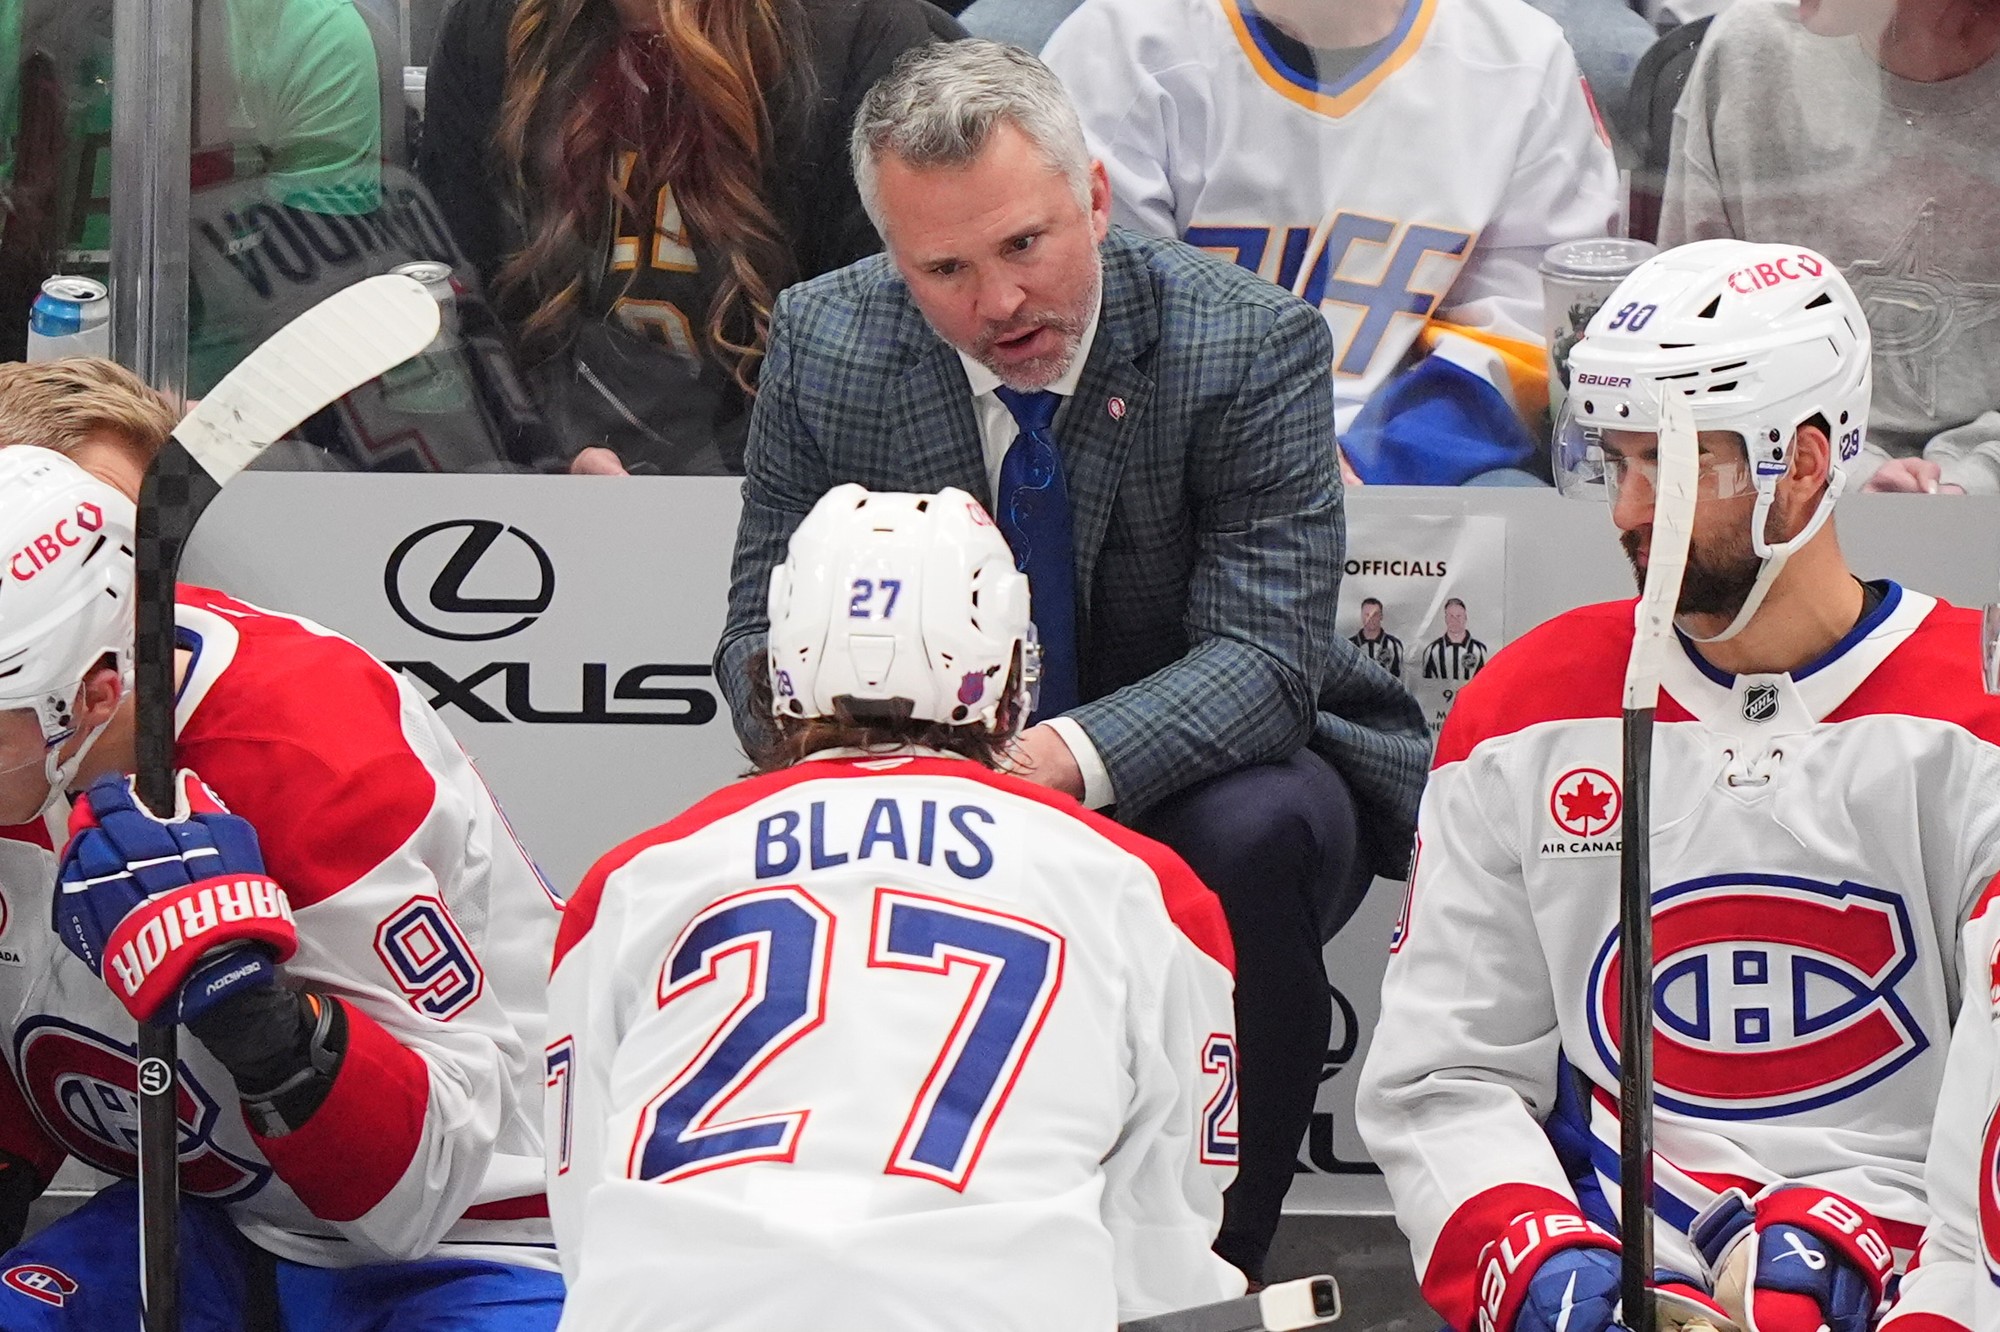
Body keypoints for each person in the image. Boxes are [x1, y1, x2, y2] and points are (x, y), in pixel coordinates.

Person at [713, 39, 1431, 1281]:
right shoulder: (827, 341)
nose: (999, 303)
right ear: (895, 261)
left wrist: (1035, 767)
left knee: (1247, 834)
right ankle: (879, 1258)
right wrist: (888, 768)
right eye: (944, 268)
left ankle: (1223, 1266)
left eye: (1026, 245)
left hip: (1210, 762)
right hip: (932, 771)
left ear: (1094, 196)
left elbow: (1261, 663)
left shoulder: (1247, 341)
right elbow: (751, 640)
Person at [1357, 238, 2000, 1332]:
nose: (1624, 510)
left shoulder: (1972, 722)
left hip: (1890, 1247)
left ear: (1800, 462)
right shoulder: (1526, 706)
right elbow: (1446, 1075)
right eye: (1616, 462)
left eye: (1673, 462)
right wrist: (1527, 1254)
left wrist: (1928, 1306)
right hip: (1611, 1242)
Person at [548, 484, 1243, 1330]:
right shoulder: (1141, 886)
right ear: (1011, 665)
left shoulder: (634, 879)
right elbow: (1160, 1241)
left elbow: (586, 1210)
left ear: (781, 659)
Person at [0, 445, 563, 1329]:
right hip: (215, 1215)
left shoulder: (306, 746)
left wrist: (262, 1022)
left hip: (489, 1231)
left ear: (99, 693)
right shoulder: (30, 733)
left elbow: (431, 1183)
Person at [1041, 0, 1621, 484]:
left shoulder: (1521, 57)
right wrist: (1277, 468)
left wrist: (1382, 461)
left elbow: (1532, 337)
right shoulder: (1118, 44)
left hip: (1415, 467)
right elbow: (1106, 333)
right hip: (1181, 471)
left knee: (1516, 506)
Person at [418, 0, 962, 475]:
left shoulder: (860, 34)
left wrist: (712, 481)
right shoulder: (491, 28)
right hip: (546, 489)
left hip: (781, 490)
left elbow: (877, 331)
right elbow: (460, 292)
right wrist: (544, 453)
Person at [1659, 0, 2000, 494]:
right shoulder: (1749, 51)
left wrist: (1978, 478)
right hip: (1780, 486)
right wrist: (1840, 468)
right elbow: (1688, 346)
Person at [1419, 598, 1487, 681]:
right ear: (1445, 618)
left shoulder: (1480, 650)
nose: (1454, 620)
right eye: (1451, 616)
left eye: (1458, 616)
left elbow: (1485, 681)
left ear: (1465, 618)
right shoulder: (1432, 650)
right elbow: (1426, 684)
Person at [1350, 596, 1405, 677]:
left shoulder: (1394, 645)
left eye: (1375, 614)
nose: (1370, 619)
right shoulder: (1350, 645)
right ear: (1361, 616)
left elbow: (1400, 680)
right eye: (1367, 614)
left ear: (1381, 616)